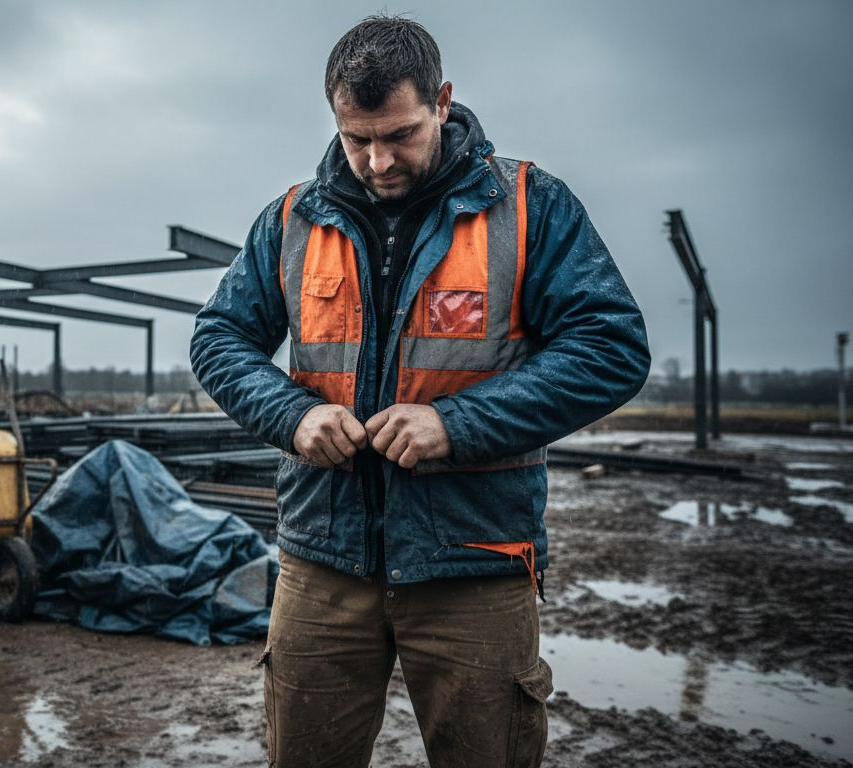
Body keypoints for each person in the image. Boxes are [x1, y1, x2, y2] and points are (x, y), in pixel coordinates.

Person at [189, 14, 650, 768]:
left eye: (399, 133)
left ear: (441, 99)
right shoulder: (291, 220)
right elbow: (218, 338)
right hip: (321, 562)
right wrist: (292, 415)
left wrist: (457, 425)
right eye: (355, 138)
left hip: (474, 559)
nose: (376, 161)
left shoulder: (531, 206)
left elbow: (612, 347)